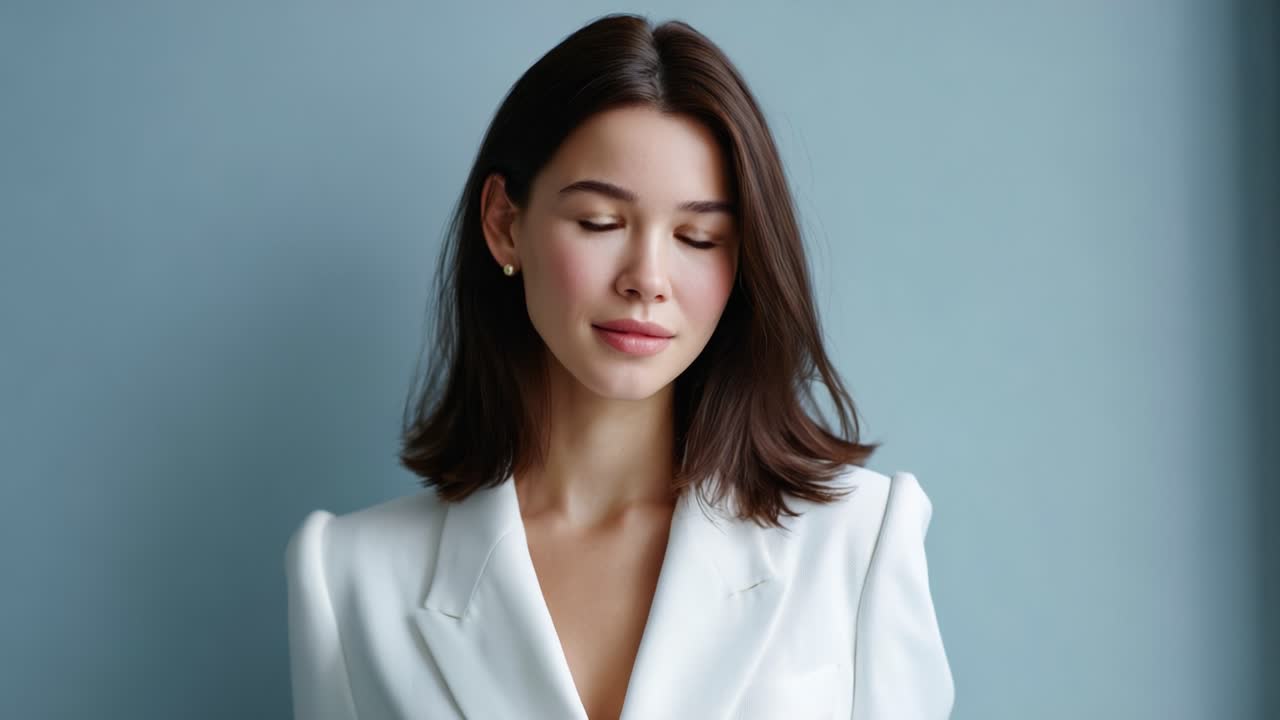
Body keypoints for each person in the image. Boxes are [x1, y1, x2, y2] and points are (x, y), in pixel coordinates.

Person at [285, 12, 954, 720]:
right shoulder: (349, 576)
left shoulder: (859, 541)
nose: (648, 279)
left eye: (698, 237)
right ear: (505, 224)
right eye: (600, 223)